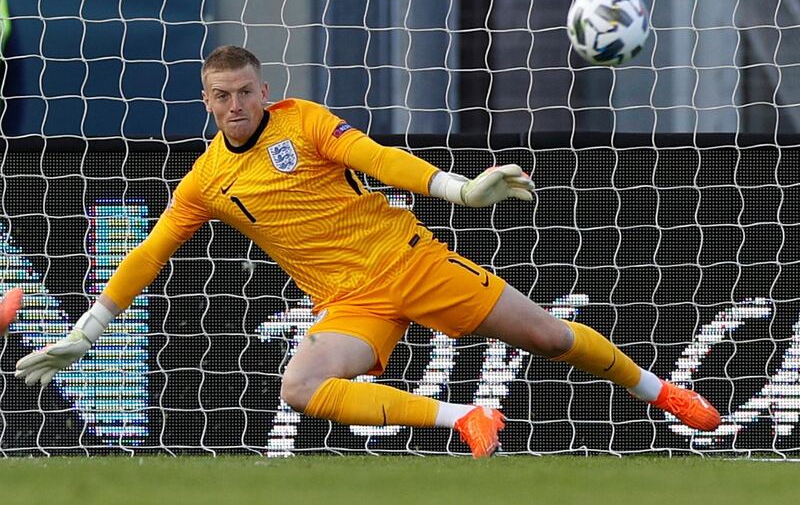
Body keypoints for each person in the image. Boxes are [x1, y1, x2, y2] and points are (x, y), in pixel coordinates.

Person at [14, 46, 720, 457]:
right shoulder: (207, 180)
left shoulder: (307, 123)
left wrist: (460, 189)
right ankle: (463, 417)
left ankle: (664, 393)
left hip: (410, 260)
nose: (234, 104)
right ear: (206, 101)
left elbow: (379, 156)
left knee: (548, 334)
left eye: (244, 92)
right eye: (220, 96)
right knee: (300, 387)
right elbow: (147, 252)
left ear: (265, 91)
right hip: (349, 303)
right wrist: (87, 332)